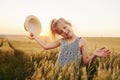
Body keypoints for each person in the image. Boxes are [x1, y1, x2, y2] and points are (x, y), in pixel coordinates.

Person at [29, 18, 111, 67]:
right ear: (60, 35)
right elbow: (46, 46)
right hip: (58, 73)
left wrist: (94, 55)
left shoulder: (81, 41)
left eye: (65, 27)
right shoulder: (61, 41)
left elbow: (86, 62)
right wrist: (35, 37)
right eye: (61, 32)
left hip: (71, 75)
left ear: (69, 24)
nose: (65, 31)